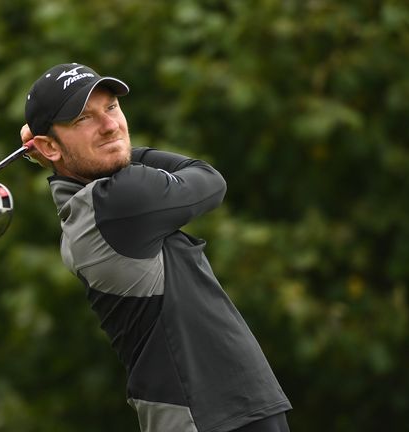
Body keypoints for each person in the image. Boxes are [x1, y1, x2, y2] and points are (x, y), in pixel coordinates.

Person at [19, 63, 292, 432]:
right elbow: (209, 180)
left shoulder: (86, 207)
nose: (110, 125)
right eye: (84, 118)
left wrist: (76, 152)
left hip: (217, 412)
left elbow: (102, 164)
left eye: (112, 108)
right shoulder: (117, 204)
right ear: (49, 145)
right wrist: (111, 150)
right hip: (207, 416)